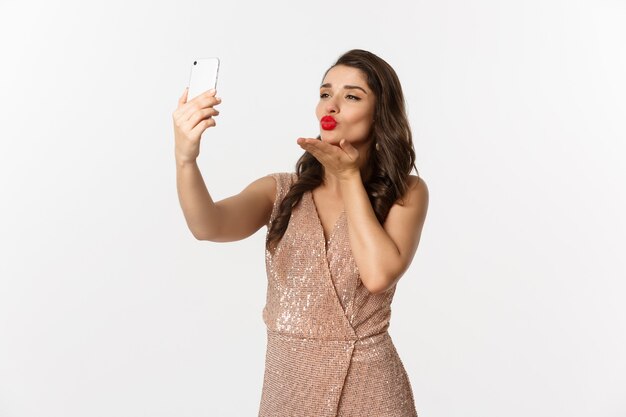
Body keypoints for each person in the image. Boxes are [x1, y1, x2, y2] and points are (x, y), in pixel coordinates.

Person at [172, 49, 429, 417]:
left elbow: (377, 275)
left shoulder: (407, 192)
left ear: (380, 114)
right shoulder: (280, 190)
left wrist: (349, 176)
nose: (331, 106)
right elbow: (207, 225)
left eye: (351, 96)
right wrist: (185, 160)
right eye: (325, 94)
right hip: (287, 388)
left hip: (370, 391)